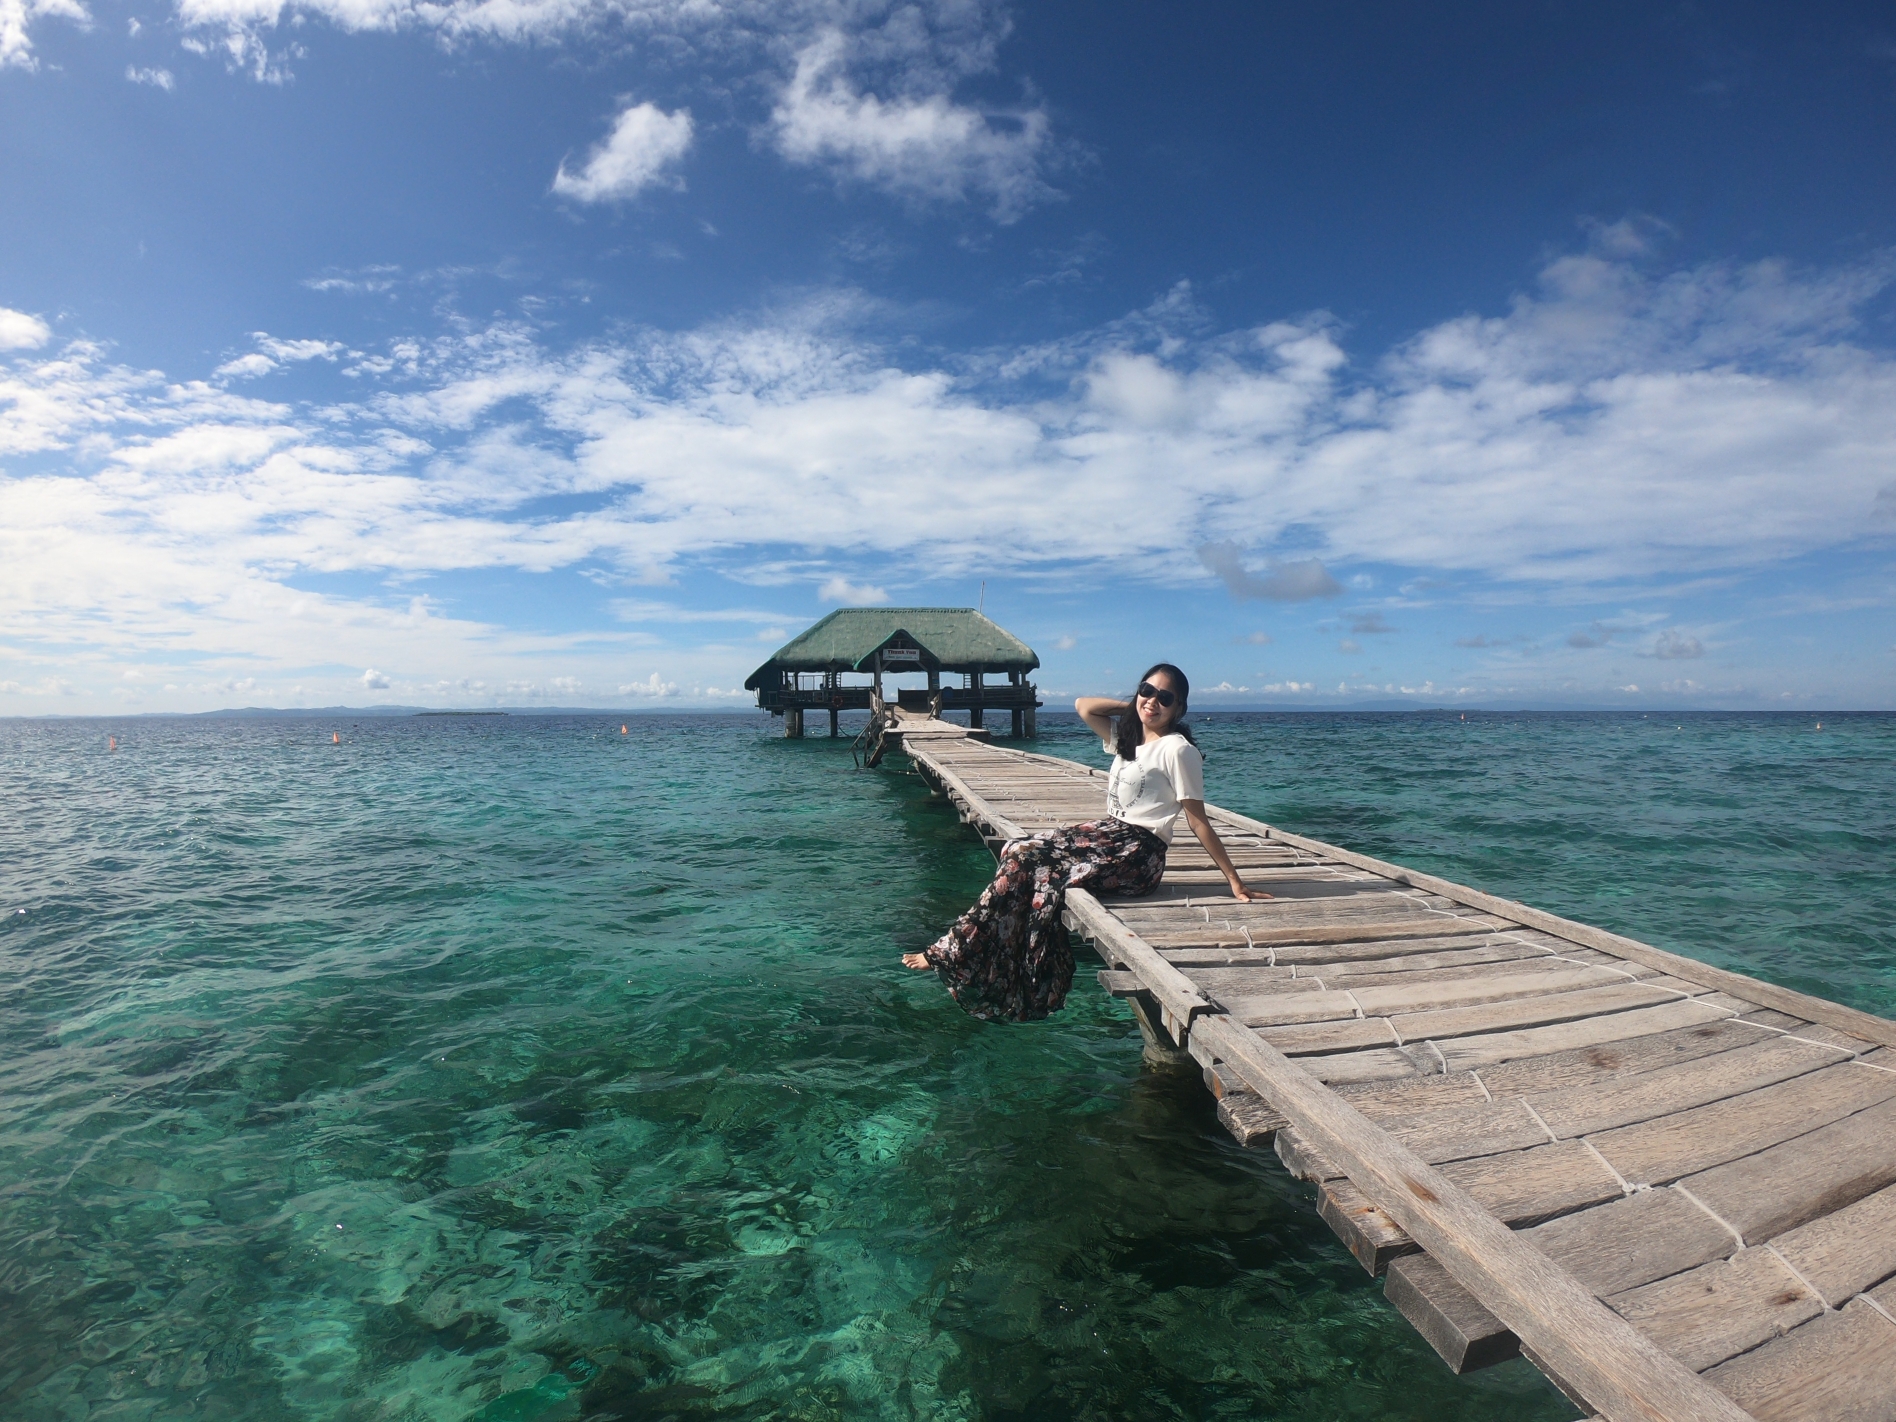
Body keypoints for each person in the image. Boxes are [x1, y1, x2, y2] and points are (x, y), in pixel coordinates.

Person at [902, 663, 1267, 1021]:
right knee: (1016, 849)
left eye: (1165, 698)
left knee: (1029, 863)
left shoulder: (1178, 749)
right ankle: (994, 950)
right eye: (1147, 691)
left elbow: (1196, 818)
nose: (1153, 701)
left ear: (1180, 708)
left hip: (1138, 855)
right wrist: (1136, 709)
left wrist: (1234, 881)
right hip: (1107, 833)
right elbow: (1084, 705)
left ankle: (956, 947)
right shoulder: (1130, 739)